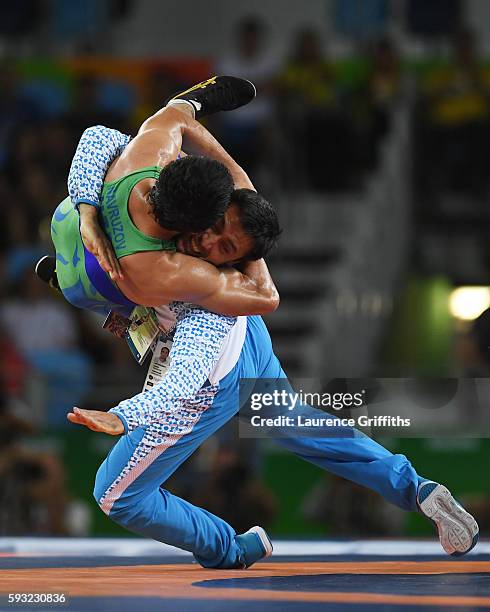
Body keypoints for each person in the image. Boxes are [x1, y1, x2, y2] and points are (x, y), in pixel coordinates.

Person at [64, 114, 478, 570]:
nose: (206, 241)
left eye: (225, 249)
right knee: (303, 426)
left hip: (210, 373)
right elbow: (134, 129)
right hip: (248, 344)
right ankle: (415, 488)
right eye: (216, 225)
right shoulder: (177, 196)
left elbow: (188, 375)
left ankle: (230, 548)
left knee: (116, 494)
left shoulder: (201, 281)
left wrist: (124, 414)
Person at [45, 76, 281, 319]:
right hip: (86, 286)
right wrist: (250, 242)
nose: (207, 240)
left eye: (223, 243)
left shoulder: (144, 159)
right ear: (195, 224)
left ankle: (190, 103)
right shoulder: (166, 270)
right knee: (190, 306)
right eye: (215, 225)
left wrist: (244, 192)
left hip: (64, 219)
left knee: (166, 131)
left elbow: (174, 119)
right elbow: (266, 296)